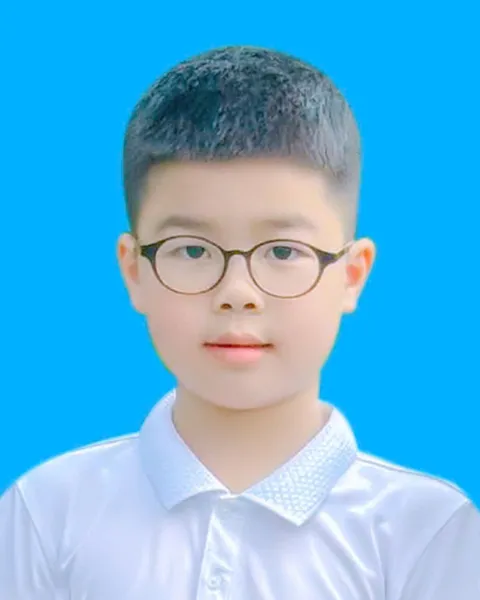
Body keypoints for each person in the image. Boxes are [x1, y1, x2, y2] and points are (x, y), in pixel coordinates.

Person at [0, 45, 478, 600]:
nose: (237, 294)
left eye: (282, 251)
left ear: (351, 275)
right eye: (192, 250)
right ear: (134, 270)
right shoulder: (46, 513)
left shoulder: (428, 532)